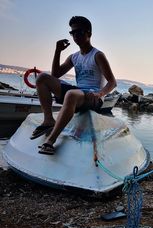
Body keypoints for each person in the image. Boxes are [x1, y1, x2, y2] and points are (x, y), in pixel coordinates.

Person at [31, 16, 117, 155]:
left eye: (79, 32)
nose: (75, 36)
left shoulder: (98, 55)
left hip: (93, 96)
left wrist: (100, 93)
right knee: (42, 78)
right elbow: (55, 75)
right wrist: (58, 51)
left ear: (89, 33)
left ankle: (51, 141)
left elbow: (112, 82)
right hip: (78, 94)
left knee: (71, 94)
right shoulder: (74, 57)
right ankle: (48, 120)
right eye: (73, 33)